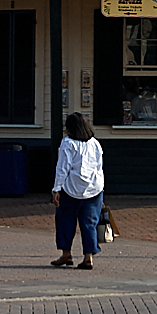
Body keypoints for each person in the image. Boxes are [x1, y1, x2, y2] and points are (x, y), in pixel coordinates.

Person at [51, 112, 104, 270]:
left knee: (65, 221)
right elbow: (99, 167)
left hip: (71, 188)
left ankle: (66, 253)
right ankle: (88, 257)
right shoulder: (95, 143)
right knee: (89, 223)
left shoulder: (68, 143)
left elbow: (62, 168)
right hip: (94, 189)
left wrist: (56, 189)